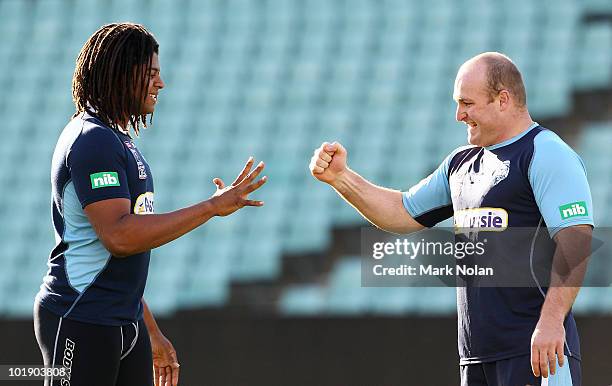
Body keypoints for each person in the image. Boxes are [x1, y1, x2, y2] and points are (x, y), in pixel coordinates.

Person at [309, 52, 592, 386]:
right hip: (476, 360)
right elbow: (401, 213)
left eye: (467, 103)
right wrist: (342, 179)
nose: (459, 115)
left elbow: (576, 240)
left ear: (503, 99)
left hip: (536, 354)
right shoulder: (460, 163)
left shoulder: (545, 153)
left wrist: (551, 323)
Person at [34, 23, 267, 386]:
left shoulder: (115, 139)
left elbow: (116, 261)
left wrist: (150, 332)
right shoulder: (92, 140)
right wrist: (210, 207)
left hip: (122, 322)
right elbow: (120, 237)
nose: (161, 84)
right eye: (152, 74)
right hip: (82, 319)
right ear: (124, 74)